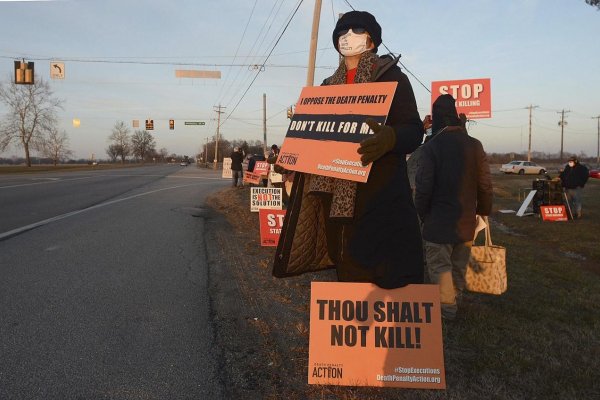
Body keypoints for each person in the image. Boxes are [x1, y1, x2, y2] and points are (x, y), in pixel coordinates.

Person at [273, 11, 425, 289]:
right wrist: (292, 157)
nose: (347, 36)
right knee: (346, 265)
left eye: (356, 30)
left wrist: (391, 137)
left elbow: (415, 131)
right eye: (342, 32)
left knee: (382, 271)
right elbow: (309, 138)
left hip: (379, 196)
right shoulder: (327, 87)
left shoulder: (391, 78)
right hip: (334, 201)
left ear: (372, 40)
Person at [415, 94, 493, 320]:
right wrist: (484, 211)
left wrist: (421, 214)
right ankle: (454, 301)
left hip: (438, 222)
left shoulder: (432, 147)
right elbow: (485, 184)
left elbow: (423, 188)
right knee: (458, 265)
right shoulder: (475, 145)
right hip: (466, 221)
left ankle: (447, 311)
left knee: (440, 268)